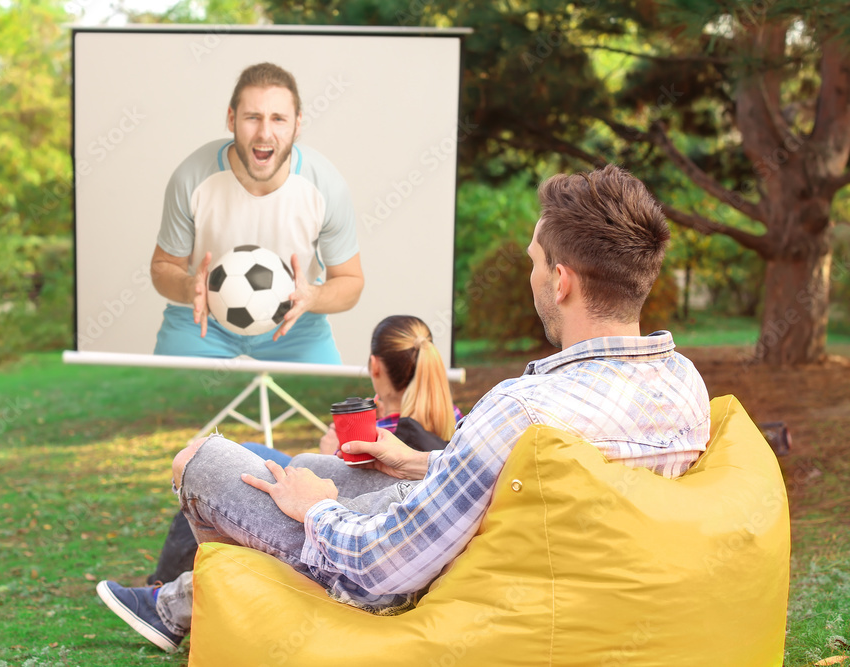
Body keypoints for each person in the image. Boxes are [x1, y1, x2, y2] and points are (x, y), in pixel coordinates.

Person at [96, 164, 712, 653]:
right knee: (320, 461)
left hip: (408, 580)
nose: (530, 277)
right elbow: (543, 483)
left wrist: (318, 513)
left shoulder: (524, 406)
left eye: (532, 263)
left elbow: (380, 567)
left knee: (199, 461)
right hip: (505, 552)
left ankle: (206, 616)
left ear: (562, 281)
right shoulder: (686, 388)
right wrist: (422, 464)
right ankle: (185, 606)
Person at [114, 315, 464, 600]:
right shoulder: (457, 421)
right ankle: (177, 595)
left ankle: (169, 590)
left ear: (375, 366)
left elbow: (360, 505)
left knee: (229, 458)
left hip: (352, 530)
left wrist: (333, 455)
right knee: (263, 457)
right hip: (387, 528)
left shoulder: (386, 428)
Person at [151, 62, 363, 364]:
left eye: (278, 119)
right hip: (200, 320)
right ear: (231, 119)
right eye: (253, 118)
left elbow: (351, 281)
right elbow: (162, 266)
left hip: (296, 323)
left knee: (326, 409)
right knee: (160, 407)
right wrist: (190, 287)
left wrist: (312, 297)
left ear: (298, 124)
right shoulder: (191, 177)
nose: (265, 133)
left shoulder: (326, 186)